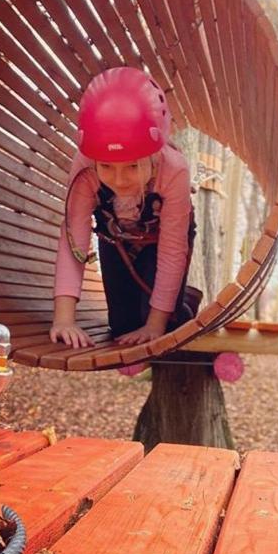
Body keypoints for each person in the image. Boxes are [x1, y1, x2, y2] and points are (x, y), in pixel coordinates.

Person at [50, 67, 195, 350]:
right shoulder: (85, 165)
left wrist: (156, 324)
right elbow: (73, 238)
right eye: (106, 167)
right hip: (115, 238)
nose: (119, 180)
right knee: (123, 326)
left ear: (153, 154)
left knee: (162, 322)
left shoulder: (174, 169)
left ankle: (184, 304)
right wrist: (64, 319)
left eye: (132, 167)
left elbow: (172, 250)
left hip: (160, 240)